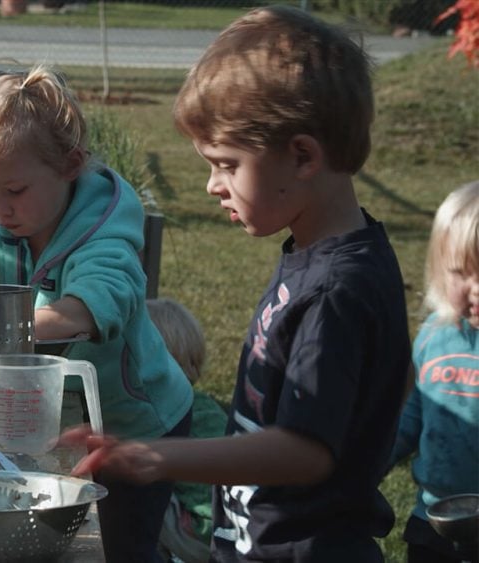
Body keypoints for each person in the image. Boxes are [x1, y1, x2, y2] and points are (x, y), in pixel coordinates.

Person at [60, 6, 413, 562]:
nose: (210, 185)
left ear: (301, 156)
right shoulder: (311, 252)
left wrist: (162, 457)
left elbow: (305, 452)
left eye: (226, 164)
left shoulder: (338, 290)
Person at [0, 60, 194, 562]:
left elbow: (94, 304)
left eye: (13, 191)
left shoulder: (105, 232)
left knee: (117, 548)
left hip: (135, 429)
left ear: (70, 164)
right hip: (58, 427)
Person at [388, 180, 479, 563]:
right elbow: (411, 413)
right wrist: (374, 460)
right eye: (461, 273)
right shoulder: (433, 336)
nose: (476, 289)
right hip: (433, 518)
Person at [146, 297, 227, 563]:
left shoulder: (161, 411)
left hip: (201, 529)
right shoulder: (206, 405)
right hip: (235, 526)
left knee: (129, 491)